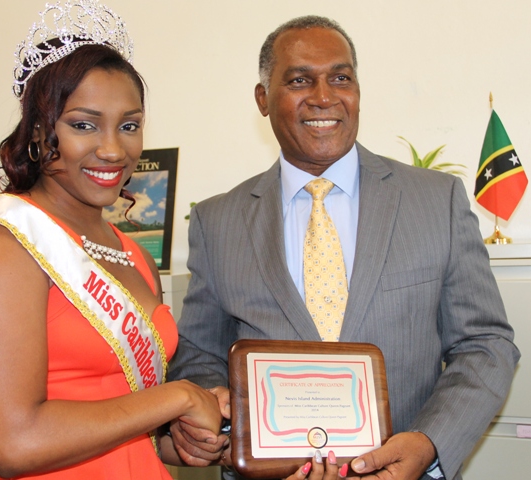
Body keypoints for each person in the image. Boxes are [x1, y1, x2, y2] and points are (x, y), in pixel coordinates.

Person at [167, 15, 520, 480]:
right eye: (298, 80)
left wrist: (429, 444)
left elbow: (486, 344)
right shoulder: (218, 221)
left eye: (340, 77)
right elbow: (198, 351)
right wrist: (209, 400)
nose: (324, 96)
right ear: (263, 99)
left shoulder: (436, 201)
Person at [0, 1, 227, 478]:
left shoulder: (129, 250)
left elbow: (124, 418)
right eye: (83, 124)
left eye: (130, 125)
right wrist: (178, 395)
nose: (114, 149)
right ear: (38, 129)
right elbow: (13, 442)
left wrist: (180, 439)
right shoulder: (2, 245)